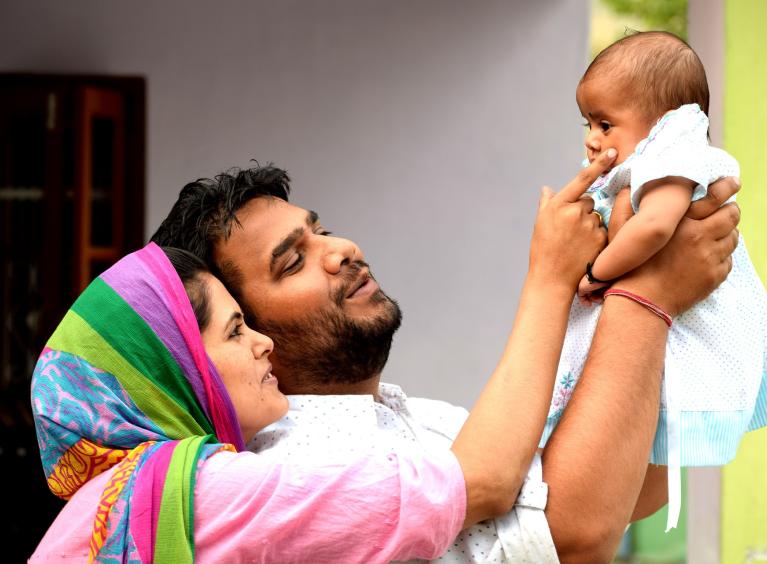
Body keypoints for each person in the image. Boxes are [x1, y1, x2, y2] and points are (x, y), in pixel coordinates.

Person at [151, 153, 740, 562]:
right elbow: (570, 538)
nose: (340, 250)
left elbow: (629, 491)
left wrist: (666, 290)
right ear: (246, 332)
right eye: (293, 262)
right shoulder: (296, 466)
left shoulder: (415, 416)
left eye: (320, 230)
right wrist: (634, 295)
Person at [29, 181, 607, 564]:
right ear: (181, 375)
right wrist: (556, 278)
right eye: (235, 330)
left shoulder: (139, 498)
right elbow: (522, 502)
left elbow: (611, 489)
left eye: (320, 230)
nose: (262, 346)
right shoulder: (225, 489)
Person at [542, 31, 767, 531]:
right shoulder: (642, 165)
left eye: (605, 123)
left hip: (685, 318)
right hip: (651, 305)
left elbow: (655, 226)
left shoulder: (674, 159)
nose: (592, 138)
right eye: (588, 123)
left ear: (665, 123)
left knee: (638, 423)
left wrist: (598, 273)